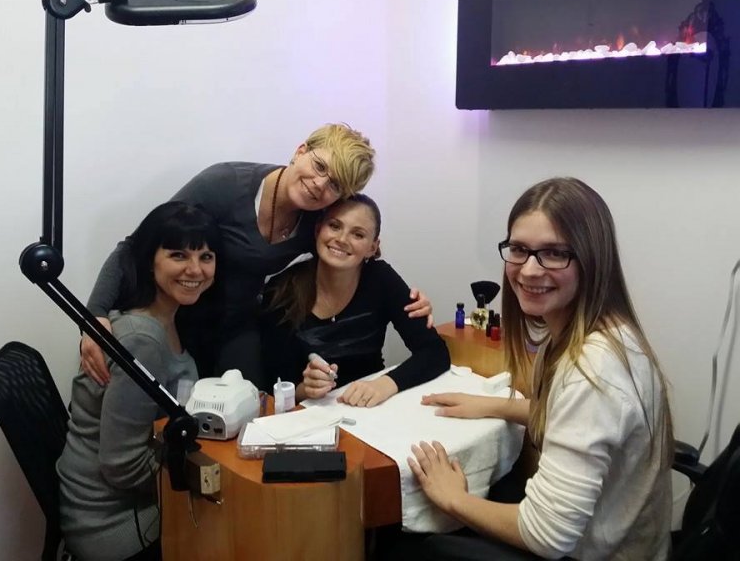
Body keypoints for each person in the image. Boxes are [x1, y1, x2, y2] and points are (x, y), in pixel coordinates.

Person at [407, 178, 673, 560]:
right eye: (519, 250)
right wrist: (495, 406)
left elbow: (546, 535)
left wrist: (453, 499)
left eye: (554, 253)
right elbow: (573, 419)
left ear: (592, 259)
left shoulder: (594, 372)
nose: (529, 270)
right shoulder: (598, 333)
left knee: (413, 544)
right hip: (611, 540)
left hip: (590, 553)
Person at [81, 123, 433, 389]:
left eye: (335, 185)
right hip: (174, 316)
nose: (319, 184)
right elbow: (137, 246)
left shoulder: (315, 220)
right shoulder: (224, 184)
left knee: (250, 411)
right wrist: (93, 316)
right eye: (320, 166)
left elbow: (350, 250)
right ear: (300, 150)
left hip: (236, 324)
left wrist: (411, 302)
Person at [57, 201, 218, 561]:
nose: (195, 269)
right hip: (112, 525)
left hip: (123, 504)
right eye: (178, 255)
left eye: (206, 256)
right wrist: (206, 473)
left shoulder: (167, 319)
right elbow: (123, 466)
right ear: (149, 261)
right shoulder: (142, 339)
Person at [260, 194, 449, 406]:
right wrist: (306, 389)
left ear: (372, 247)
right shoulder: (281, 289)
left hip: (371, 408)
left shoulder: (381, 279)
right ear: (318, 230)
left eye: (358, 234)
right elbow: (271, 384)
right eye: (334, 226)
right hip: (310, 413)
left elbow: (435, 352)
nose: (342, 239)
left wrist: (385, 384)